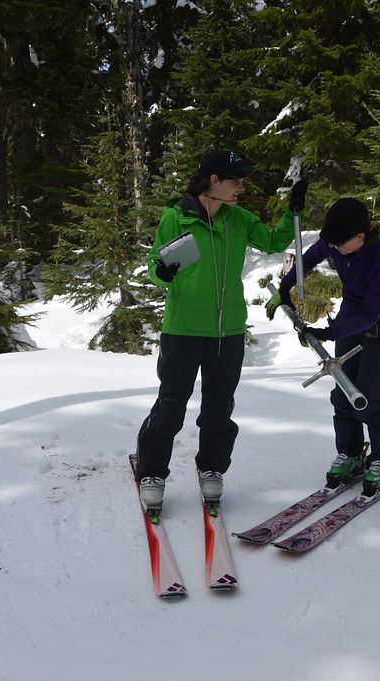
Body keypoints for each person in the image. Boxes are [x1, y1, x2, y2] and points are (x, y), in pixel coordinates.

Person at [136, 149, 308, 510]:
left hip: (227, 331)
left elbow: (274, 242)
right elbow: (155, 264)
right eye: (236, 180)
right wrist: (161, 272)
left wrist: (293, 212)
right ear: (213, 180)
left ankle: (212, 468)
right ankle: (152, 471)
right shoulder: (177, 216)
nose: (241, 187)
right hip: (183, 329)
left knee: (219, 407)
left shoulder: (238, 218)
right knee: (171, 405)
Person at [266, 197, 380, 496]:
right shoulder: (337, 241)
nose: (332, 248)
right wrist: (285, 288)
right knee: (343, 392)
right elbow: (309, 257)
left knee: (368, 396)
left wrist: (328, 333)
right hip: (350, 321)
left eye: (338, 244)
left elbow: (371, 315)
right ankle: (351, 453)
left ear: (361, 236)